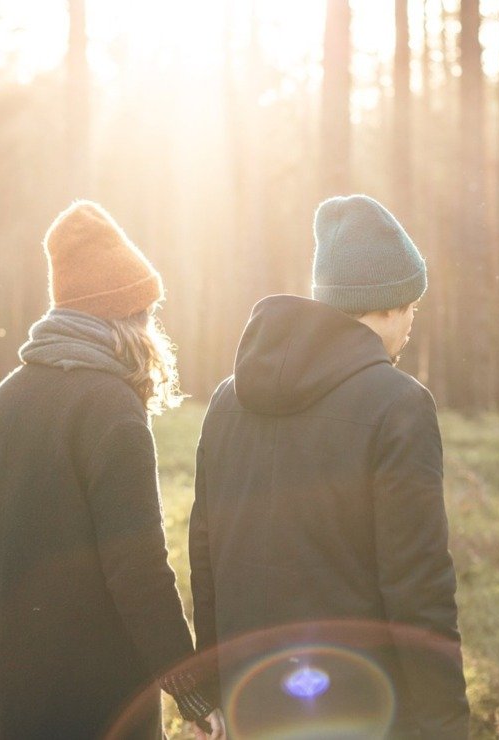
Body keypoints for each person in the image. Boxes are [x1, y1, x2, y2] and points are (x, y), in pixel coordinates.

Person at [189, 194, 469, 738]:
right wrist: (445, 723)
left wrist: (213, 688)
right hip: (365, 706)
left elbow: (206, 560)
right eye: (410, 304)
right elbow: (418, 586)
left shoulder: (227, 400)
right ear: (385, 304)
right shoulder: (399, 405)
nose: (412, 321)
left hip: (251, 699)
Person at [0, 201, 225, 740]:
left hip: (19, 690)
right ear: (126, 316)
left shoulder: (1, 403)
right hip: (101, 699)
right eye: (147, 311)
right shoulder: (110, 408)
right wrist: (192, 690)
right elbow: (137, 568)